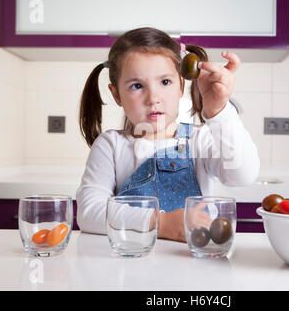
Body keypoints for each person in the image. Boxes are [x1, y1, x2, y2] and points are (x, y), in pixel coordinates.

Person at [76, 27, 260, 242]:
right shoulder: (111, 145)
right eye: (137, 86)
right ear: (117, 94)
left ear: (181, 86)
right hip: (132, 264)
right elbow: (89, 213)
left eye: (165, 82)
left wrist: (220, 112)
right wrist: (159, 222)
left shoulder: (200, 140)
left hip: (194, 265)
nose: (153, 97)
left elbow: (242, 175)